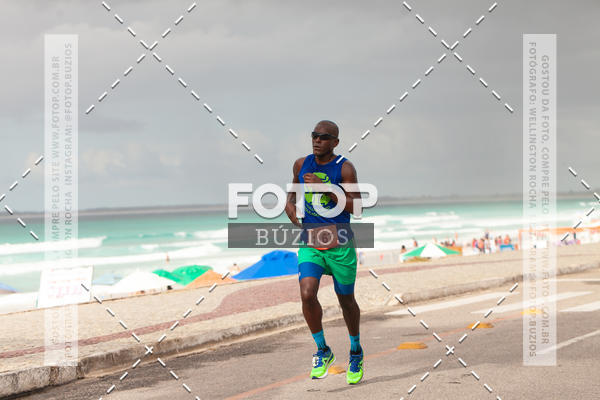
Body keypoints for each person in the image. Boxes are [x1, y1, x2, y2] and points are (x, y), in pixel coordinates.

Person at [285, 120, 364, 384]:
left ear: (335, 142)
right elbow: (293, 190)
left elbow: (357, 207)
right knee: (307, 293)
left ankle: (355, 350)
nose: (317, 140)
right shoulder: (301, 164)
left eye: (323, 137)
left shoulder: (345, 168)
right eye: (314, 135)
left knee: (346, 301)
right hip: (311, 242)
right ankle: (323, 350)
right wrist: (289, 204)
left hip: (340, 245)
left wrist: (327, 189)